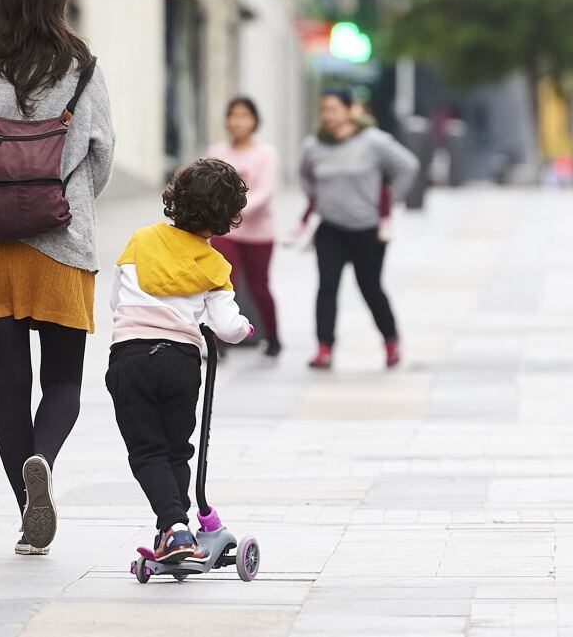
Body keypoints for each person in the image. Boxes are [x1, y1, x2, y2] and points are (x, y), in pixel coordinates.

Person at [0, 0, 115, 556]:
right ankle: (43, 457)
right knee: (63, 380)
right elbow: (101, 157)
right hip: (61, 247)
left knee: (9, 388)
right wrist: (62, 206)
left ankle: (28, 517)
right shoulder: (82, 68)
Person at [107, 159, 253, 562]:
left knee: (146, 451)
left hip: (132, 357)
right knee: (177, 450)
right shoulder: (215, 266)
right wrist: (245, 329)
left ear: (176, 199)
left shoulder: (140, 241)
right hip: (181, 363)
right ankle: (176, 528)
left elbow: (116, 299)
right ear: (227, 216)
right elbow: (226, 326)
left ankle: (173, 528)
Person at [300, 91, 419, 370]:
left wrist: (389, 203)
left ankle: (390, 340)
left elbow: (408, 167)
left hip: (367, 229)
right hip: (330, 228)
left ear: (351, 110)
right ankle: (324, 347)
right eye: (324, 109)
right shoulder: (314, 146)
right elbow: (306, 176)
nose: (328, 115)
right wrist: (317, 200)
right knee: (327, 287)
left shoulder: (373, 141)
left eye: (335, 109)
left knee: (370, 288)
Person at [206, 97, 282, 357]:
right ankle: (219, 340)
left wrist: (234, 210)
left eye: (244, 115)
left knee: (260, 286)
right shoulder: (218, 151)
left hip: (259, 233)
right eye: (233, 115)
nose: (238, 121)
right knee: (225, 283)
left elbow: (265, 191)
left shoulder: (266, 154)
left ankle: (272, 336)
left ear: (255, 121)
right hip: (226, 232)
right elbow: (205, 184)